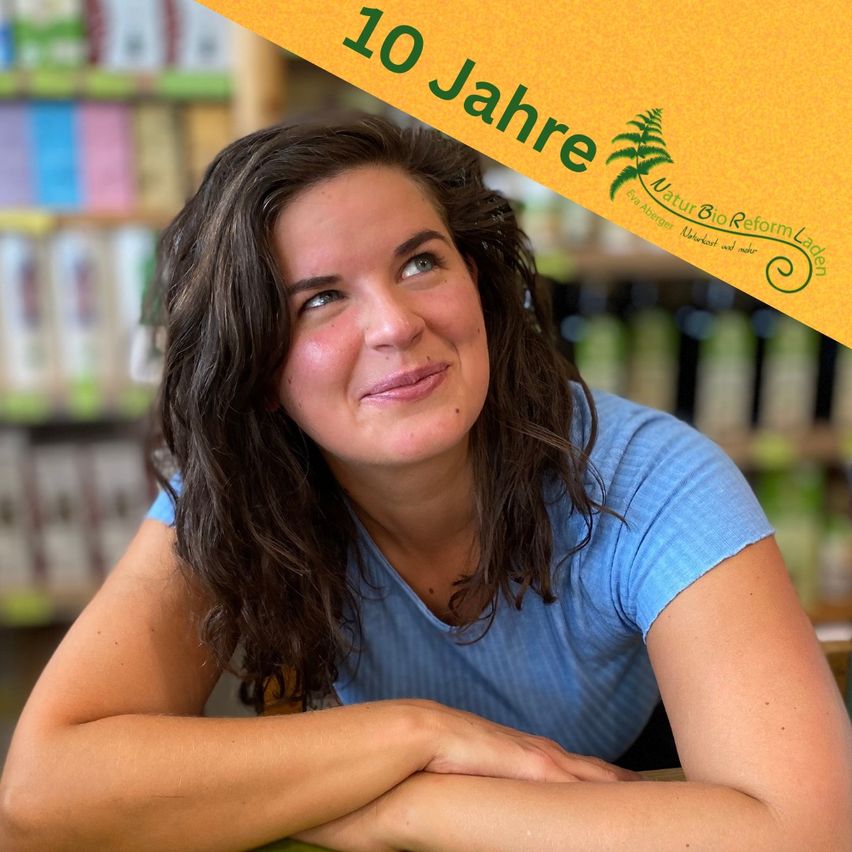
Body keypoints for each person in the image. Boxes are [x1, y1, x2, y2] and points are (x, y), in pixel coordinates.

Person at [1, 114, 849, 852]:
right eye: (320, 300)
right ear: (254, 362)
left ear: (477, 280)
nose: (396, 325)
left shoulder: (653, 479)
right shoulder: (236, 491)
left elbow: (810, 832)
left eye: (419, 264)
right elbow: (37, 800)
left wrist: (410, 808)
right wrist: (419, 734)